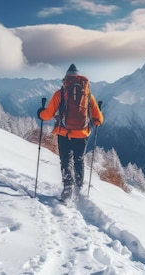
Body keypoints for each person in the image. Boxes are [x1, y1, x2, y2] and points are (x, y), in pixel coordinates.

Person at [37, 64, 104, 201]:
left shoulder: (60, 93)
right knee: (79, 159)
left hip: (64, 133)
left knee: (66, 160)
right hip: (82, 133)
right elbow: (99, 119)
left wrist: (40, 113)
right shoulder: (88, 95)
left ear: (66, 79)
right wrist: (96, 120)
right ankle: (79, 187)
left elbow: (48, 115)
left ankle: (68, 186)